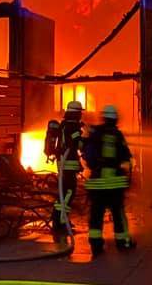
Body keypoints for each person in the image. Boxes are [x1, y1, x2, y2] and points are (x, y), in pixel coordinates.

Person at [82, 105, 134, 255]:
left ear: (104, 117)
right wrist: (128, 177)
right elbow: (126, 158)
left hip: (97, 182)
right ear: (115, 119)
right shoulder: (117, 135)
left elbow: (86, 152)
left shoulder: (94, 133)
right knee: (118, 214)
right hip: (115, 184)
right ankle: (123, 242)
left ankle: (96, 245)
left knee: (96, 214)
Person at [46, 101, 85, 240]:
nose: (81, 114)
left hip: (65, 162)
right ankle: (60, 221)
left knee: (65, 192)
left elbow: (71, 147)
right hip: (66, 163)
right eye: (80, 112)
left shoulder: (65, 124)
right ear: (76, 113)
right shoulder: (72, 126)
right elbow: (76, 144)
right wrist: (86, 144)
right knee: (68, 192)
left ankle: (59, 219)